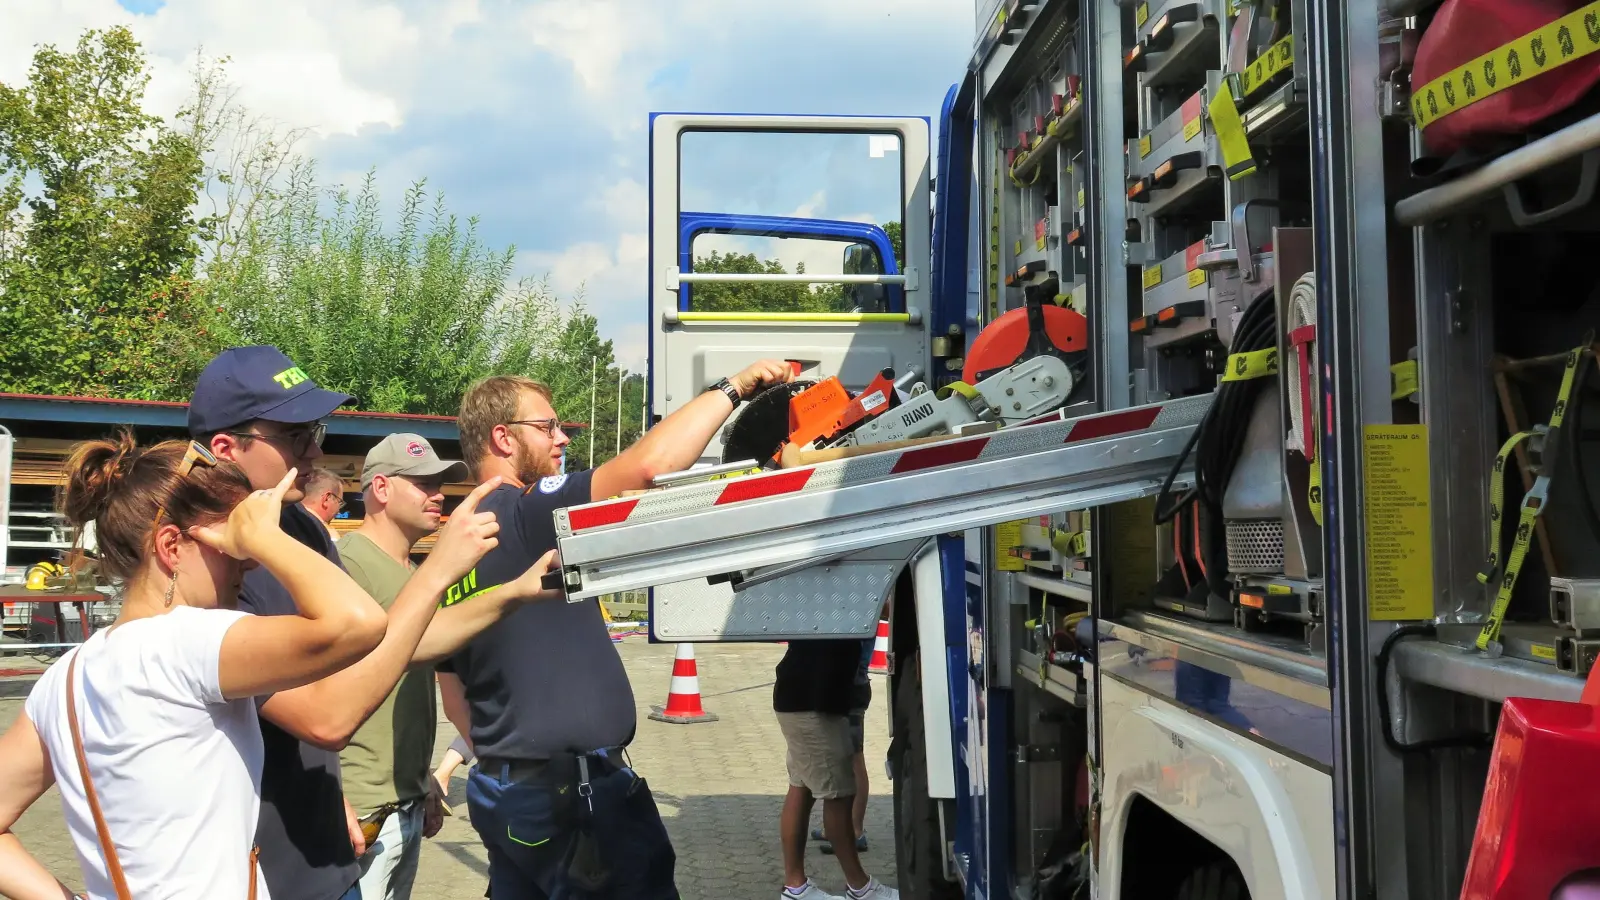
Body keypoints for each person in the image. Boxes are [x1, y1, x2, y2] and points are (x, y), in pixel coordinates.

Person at [187, 345, 559, 900]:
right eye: (294, 434)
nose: (316, 449)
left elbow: (392, 642)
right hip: (261, 868)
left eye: (316, 428)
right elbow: (327, 714)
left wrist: (516, 592)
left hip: (324, 847)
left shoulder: (301, 530)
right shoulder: (206, 561)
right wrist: (438, 572)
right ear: (225, 447)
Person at [442, 359, 795, 900]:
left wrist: (512, 764)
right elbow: (646, 469)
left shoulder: (452, 550)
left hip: (509, 793)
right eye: (546, 427)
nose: (561, 438)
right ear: (502, 438)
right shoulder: (519, 513)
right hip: (572, 803)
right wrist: (734, 387)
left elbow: (454, 699)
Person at [0, 433, 393, 899]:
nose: (248, 564)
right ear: (171, 547)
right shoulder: (186, 640)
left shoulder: (64, 677)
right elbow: (359, 622)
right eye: (232, 544)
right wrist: (266, 536)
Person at [337, 433, 493, 900]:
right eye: (423, 483)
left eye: (440, 483)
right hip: (362, 810)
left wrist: (423, 780)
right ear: (381, 488)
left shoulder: (413, 573)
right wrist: (332, 794)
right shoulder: (348, 565)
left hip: (401, 802)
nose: (438, 494)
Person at [774, 638, 897, 900]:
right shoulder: (836, 602)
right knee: (838, 796)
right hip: (814, 706)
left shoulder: (819, 605)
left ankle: (796, 887)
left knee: (801, 788)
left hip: (798, 699)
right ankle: (860, 887)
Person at [812, 636, 874, 856]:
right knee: (846, 758)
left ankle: (855, 830)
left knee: (853, 758)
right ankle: (839, 829)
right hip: (849, 685)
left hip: (850, 687)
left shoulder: (860, 608)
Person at [301, 466, 347, 542]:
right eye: (339, 502)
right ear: (326, 499)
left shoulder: (282, 520)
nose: (338, 511)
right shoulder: (328, 539)